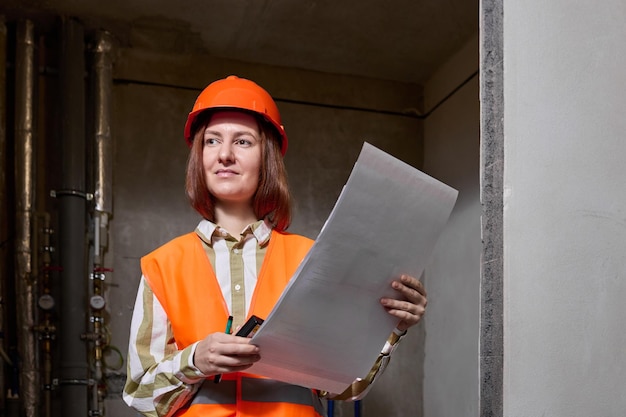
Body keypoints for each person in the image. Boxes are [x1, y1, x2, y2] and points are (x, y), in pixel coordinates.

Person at [123, 75, 428, 417]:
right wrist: (195, 360)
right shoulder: (162, 266)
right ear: (199, 155)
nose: (224, 154)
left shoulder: (309, 258)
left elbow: (343, 386)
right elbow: (142, 394)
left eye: (242, 142)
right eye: (211, 141)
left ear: (267, 157)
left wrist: (390, 327)